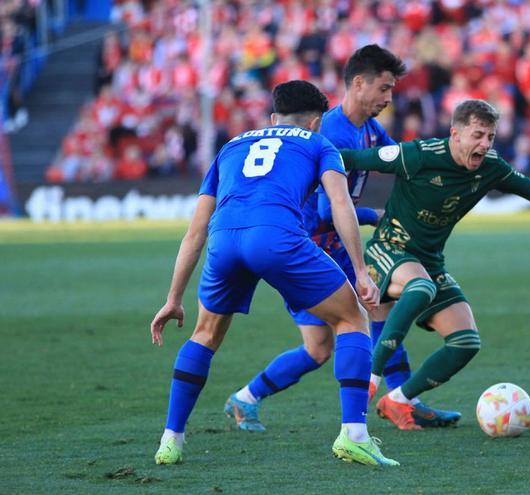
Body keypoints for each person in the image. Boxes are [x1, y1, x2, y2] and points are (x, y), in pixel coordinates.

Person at [149, 80, 399, 467]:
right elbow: (338, 204)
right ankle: (355, 435)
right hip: (276, 238)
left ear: (272, 118)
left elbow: (195, 230)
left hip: (224, 240)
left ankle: (171, 440)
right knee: (353, 318)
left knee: (205, 334)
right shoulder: (318, 143)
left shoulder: (231, 146)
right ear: (316, 122)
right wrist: (362, 271)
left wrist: (172, 298)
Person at [341, 99, 530, 430]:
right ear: (455, 134)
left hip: (428, 260)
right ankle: (371, 379)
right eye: (478, 135)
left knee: (465, 341)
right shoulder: (418, 154)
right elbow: (350, 158)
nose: (485, 144)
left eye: (490, 137)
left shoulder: (490, 166)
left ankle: (399, 400)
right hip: (388, 249)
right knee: (421, 287)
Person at [222, 45, 461, 432]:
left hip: (338, 247)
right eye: (384, 88)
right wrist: (373, 216)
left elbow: (396, 159)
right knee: (319, 348)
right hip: (307, 250)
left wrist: (439, 166)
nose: (388, 98)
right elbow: (320, 211)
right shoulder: (328, 132)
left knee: (380, 308)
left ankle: (404, 401)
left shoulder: (367, 127)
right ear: (359, 83)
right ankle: (245, 398)